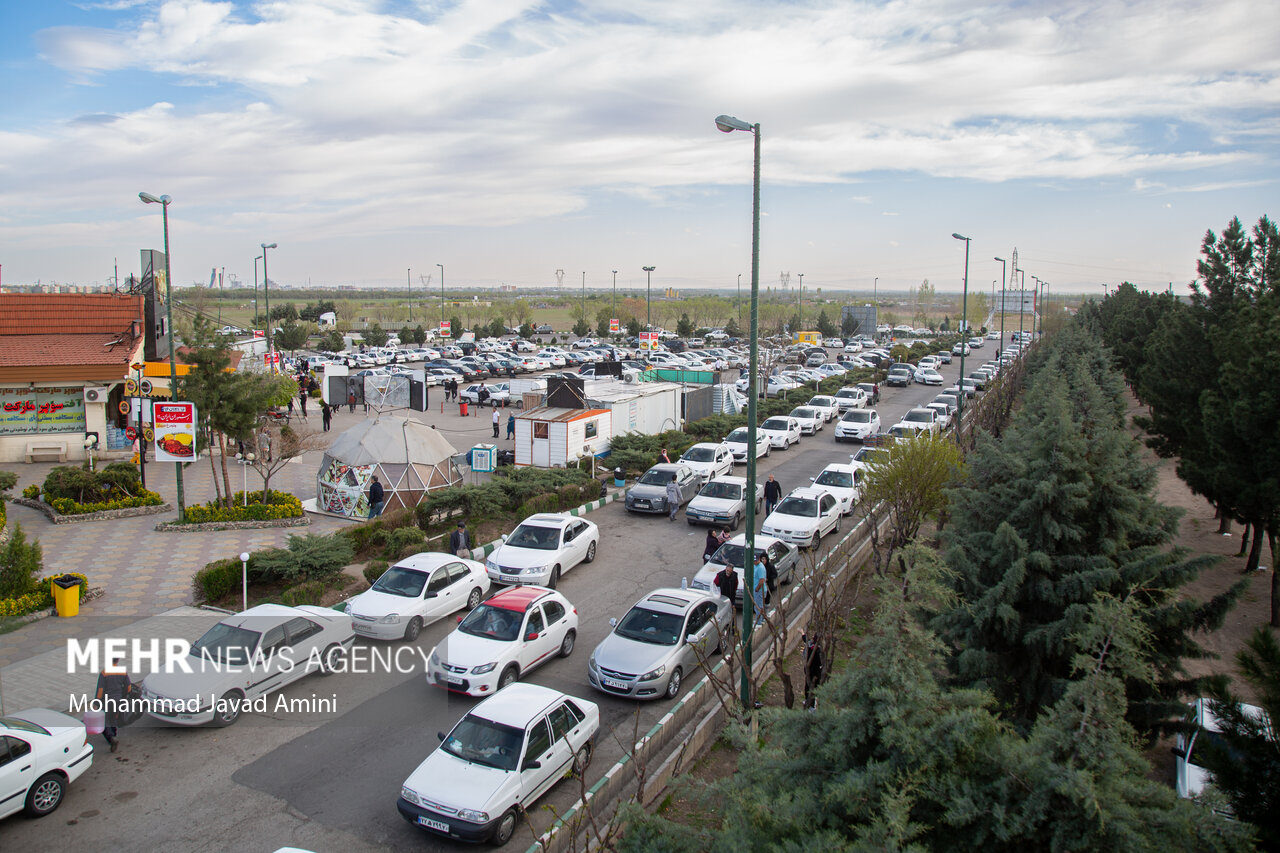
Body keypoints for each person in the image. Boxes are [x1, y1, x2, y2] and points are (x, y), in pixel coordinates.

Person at [94, 658, 134, 753]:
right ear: (118, 660)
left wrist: (96, 703)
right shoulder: (123, 672)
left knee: (105, 721)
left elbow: (100, 690)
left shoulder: (104, 673)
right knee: (113, 717)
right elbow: (128, 687)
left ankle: (111, 738)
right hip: (118, 700)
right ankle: (114, 735)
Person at [802, 632, 825, 710]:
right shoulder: (818, 651)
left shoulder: (810, 646)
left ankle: (806, 701)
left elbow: (806, 640)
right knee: (814, 689)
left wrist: (802, 632)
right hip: (815, 672)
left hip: (808, 670)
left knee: (807, 686)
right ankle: (811, 706)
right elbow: (820, 662)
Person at [751, 554, 767, 627]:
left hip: (759, 590)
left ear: (759, 559)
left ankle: (759, 621)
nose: (755, 562)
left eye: (756, 561)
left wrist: (757, 588)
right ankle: (760, 619)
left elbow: (762, 580)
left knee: (758, 606)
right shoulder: (755, 566)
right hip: (756, 589)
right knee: (758, 605)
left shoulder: (760, 567)